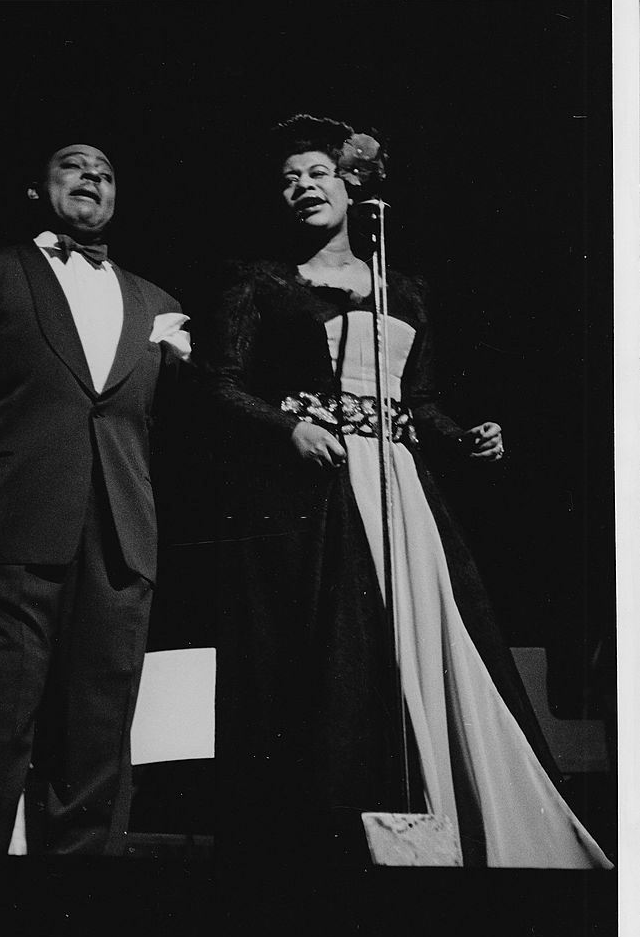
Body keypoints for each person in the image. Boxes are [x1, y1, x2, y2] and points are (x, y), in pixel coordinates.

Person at [201, 114, 611, 869]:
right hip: (317, 495)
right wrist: (285, 427)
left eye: (316, 173)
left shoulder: (405, 289)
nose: (301, 189)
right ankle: (342, 836)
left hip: (400, 489)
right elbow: (219, 383)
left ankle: (450, 817)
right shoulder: (261, 284)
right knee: (340, 652)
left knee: (429, 636)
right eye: (288, 180)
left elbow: (417, 404)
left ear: (352, 183)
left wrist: (464, 437)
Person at [0, 139, 190, 854]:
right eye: (73, 164)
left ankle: (78, 912)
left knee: (98, 727)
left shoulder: (156, 303)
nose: (92, 174)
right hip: (14, 524)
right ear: (36, 189)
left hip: (121, 534)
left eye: (106, 170)